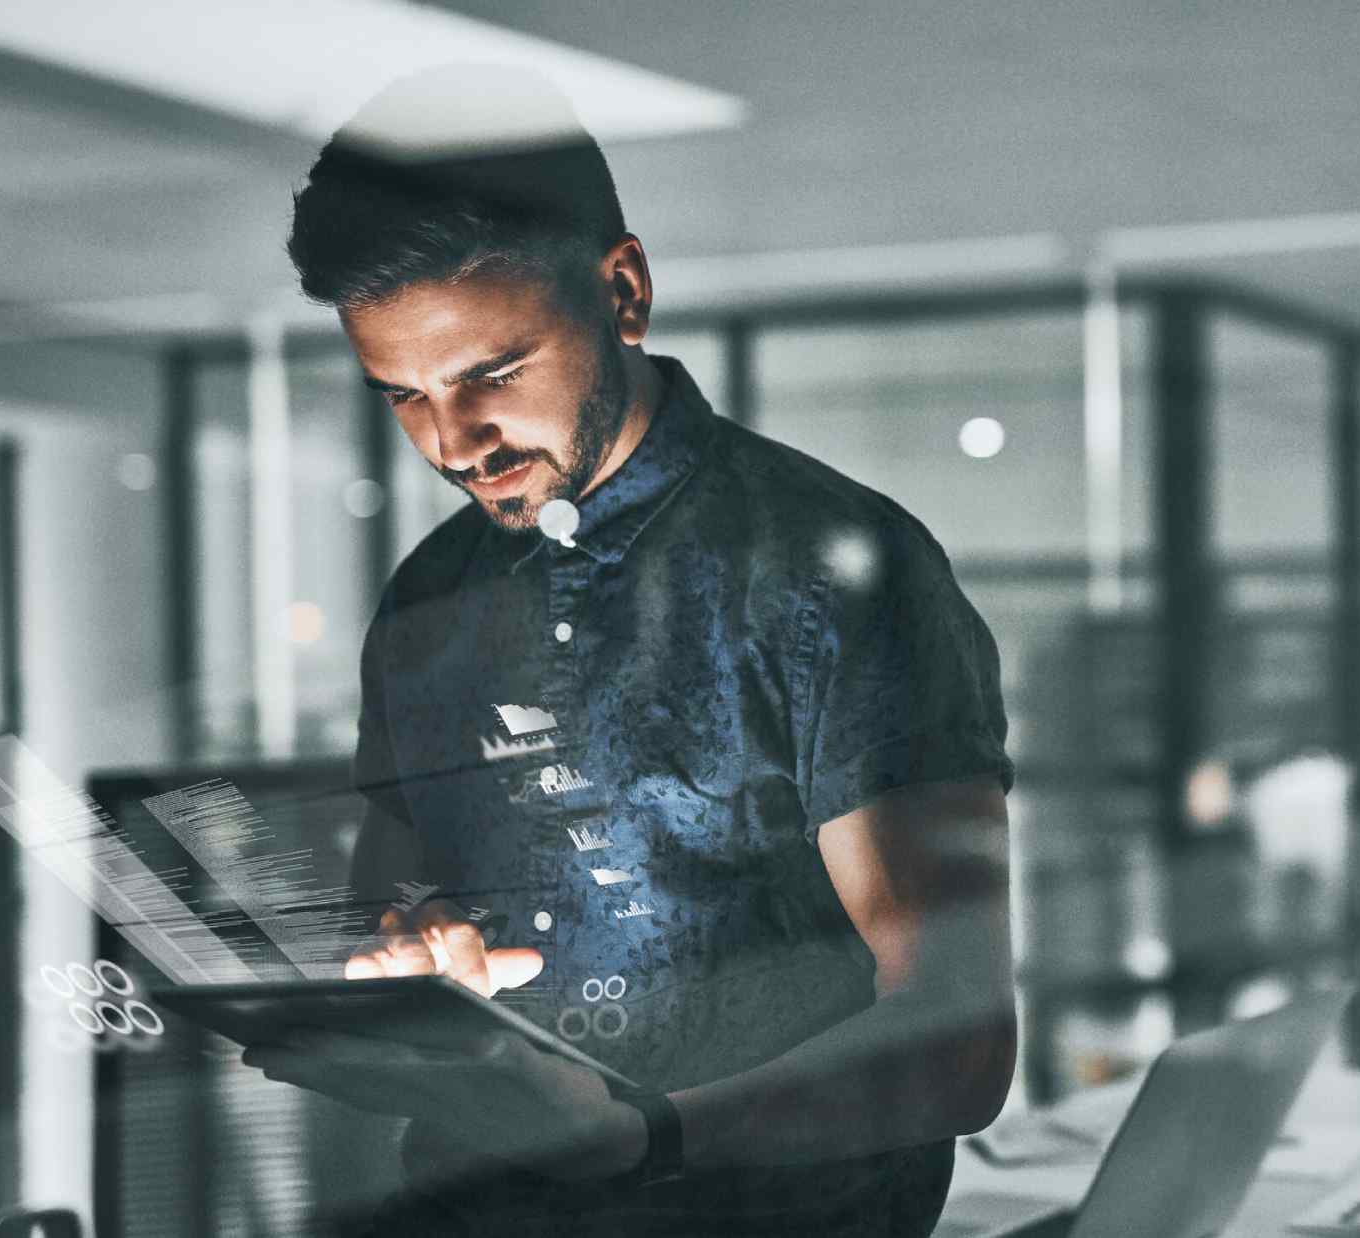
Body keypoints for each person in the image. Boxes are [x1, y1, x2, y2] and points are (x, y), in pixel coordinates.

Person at [243, 67, 1018, 1237]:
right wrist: (403, 955)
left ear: (624, 291)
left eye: (491, 375)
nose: (455, 442)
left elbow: (955, 1041)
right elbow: (387, 901)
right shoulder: (427, 597)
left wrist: (646, 1129)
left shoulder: (832, 571)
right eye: (402, 396)